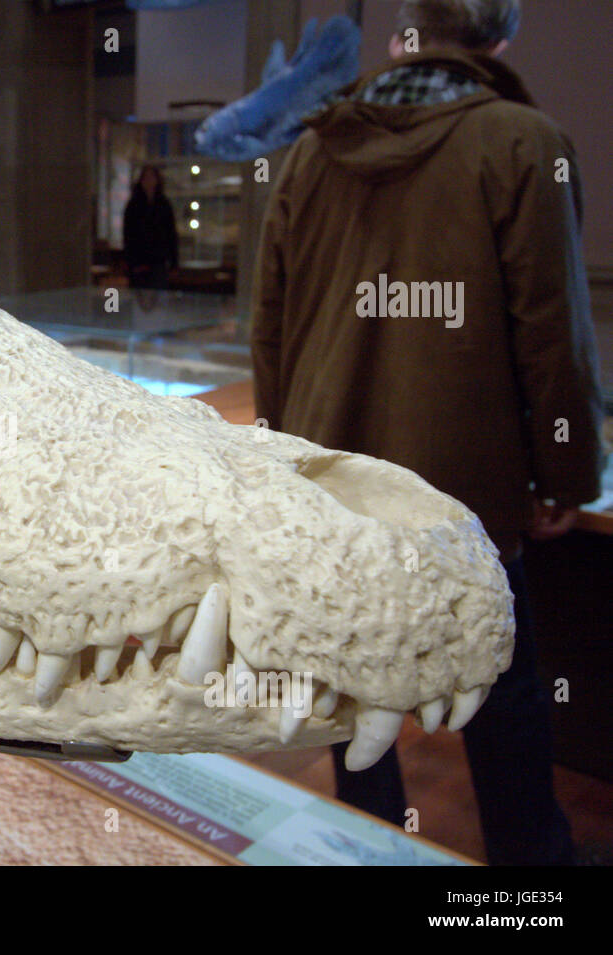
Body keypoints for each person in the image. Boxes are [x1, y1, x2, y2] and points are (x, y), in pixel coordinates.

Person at [251, 0, 604, 865]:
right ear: (501, 36)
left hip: (339, 488)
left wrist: (283, 465)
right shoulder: (525, 144)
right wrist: (566, 475)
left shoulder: (307, 155)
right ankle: (529, 887)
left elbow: (270, 326)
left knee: (355, 699)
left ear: (408, 32)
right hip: (468, 496)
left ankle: (368, 852)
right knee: (498, 697)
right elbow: (550, 328)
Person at [123, 165, 178, 290]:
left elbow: (171, 234)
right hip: (138, 261)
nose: (148, 181)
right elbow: (128, 235)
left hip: (158, 261)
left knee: (158, 297)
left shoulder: (164, 204)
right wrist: (130, 261)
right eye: (145, 178)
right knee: (139, 297)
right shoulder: (133, 205)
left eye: (151, 177)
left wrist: (174, 263)